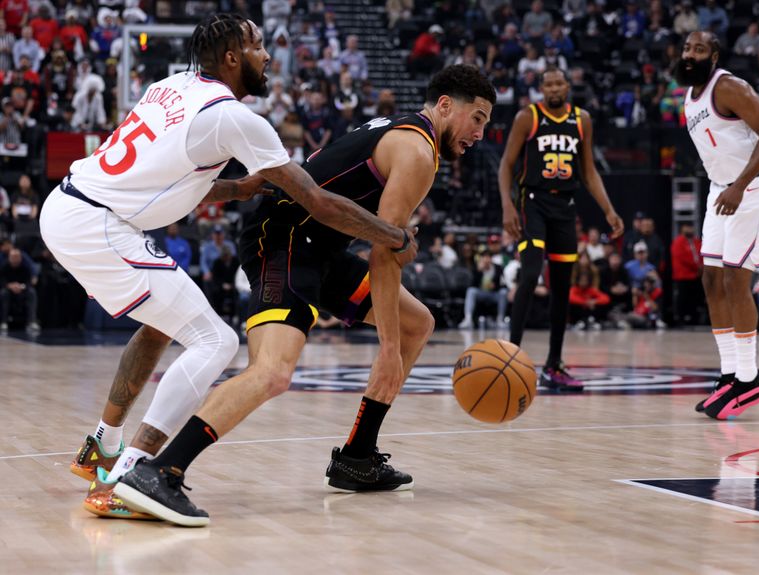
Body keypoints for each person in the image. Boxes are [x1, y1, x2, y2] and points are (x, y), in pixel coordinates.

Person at [40, 14, 415, 521]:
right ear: (234, 57)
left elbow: (160, 177)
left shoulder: (170, 87)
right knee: (216, 341)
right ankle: (135, 473)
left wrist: (235, 189)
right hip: (99, 224)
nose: (268, 55)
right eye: (259, 46)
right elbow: (316, 201)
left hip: (70, 206)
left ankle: (103, 447)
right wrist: (393, 235)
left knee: (161, 325)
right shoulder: (235, 118)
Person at [109, 64, 495, 526]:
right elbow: (386, 251)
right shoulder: (417, 150)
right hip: (285, 240)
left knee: (418, 323)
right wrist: (388, 350)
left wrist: (397, 338)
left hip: (320, 248)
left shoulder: (397, 129)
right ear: (447, 106)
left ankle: (357, 457)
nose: (480, 132)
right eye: (478, 118)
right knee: (273, 372)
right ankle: (158, 472)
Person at [677, 31, 759, 420]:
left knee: (736, 279)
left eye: (699, 49)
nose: (690, 55)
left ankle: (750, 379)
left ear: (714, 55)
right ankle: (729, 376)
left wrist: (739, 185)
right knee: (711, 279)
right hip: (721, 189)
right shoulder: (689, 96)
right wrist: (728, 185)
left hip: (754, 187)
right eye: (687, 48)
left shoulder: (730, 87)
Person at [498, 66, 624, 392]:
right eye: (548, 84)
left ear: (567, 85)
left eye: (559, 83)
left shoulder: (582, 120)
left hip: (565, 207)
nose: (554, 88)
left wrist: (609, 210)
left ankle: (554, 365)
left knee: (563, 286)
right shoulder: (529, 116)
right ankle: (511, 354)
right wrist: (508, 205)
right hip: (533, 202)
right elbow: (506, 165)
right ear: (541, 88)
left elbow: (589, 171)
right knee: (529, 274)